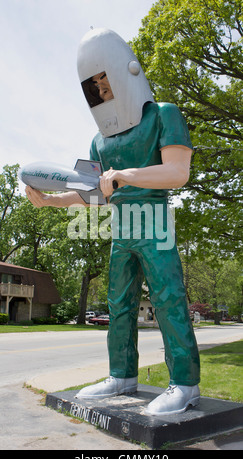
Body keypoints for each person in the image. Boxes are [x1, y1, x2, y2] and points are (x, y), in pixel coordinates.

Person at [26, 28, 200, 416]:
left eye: (106, 79)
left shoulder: (163, 114)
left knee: (169, 299)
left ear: (127, 72)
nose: (101, 89)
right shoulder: (98, 142)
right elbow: (93, 193)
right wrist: (51, 200)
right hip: (121, 229)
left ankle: (185, 383)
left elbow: (177, 172)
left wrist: (127, 174)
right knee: (118, 303)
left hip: (153, 221)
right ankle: (121, 375)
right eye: (93, 84)